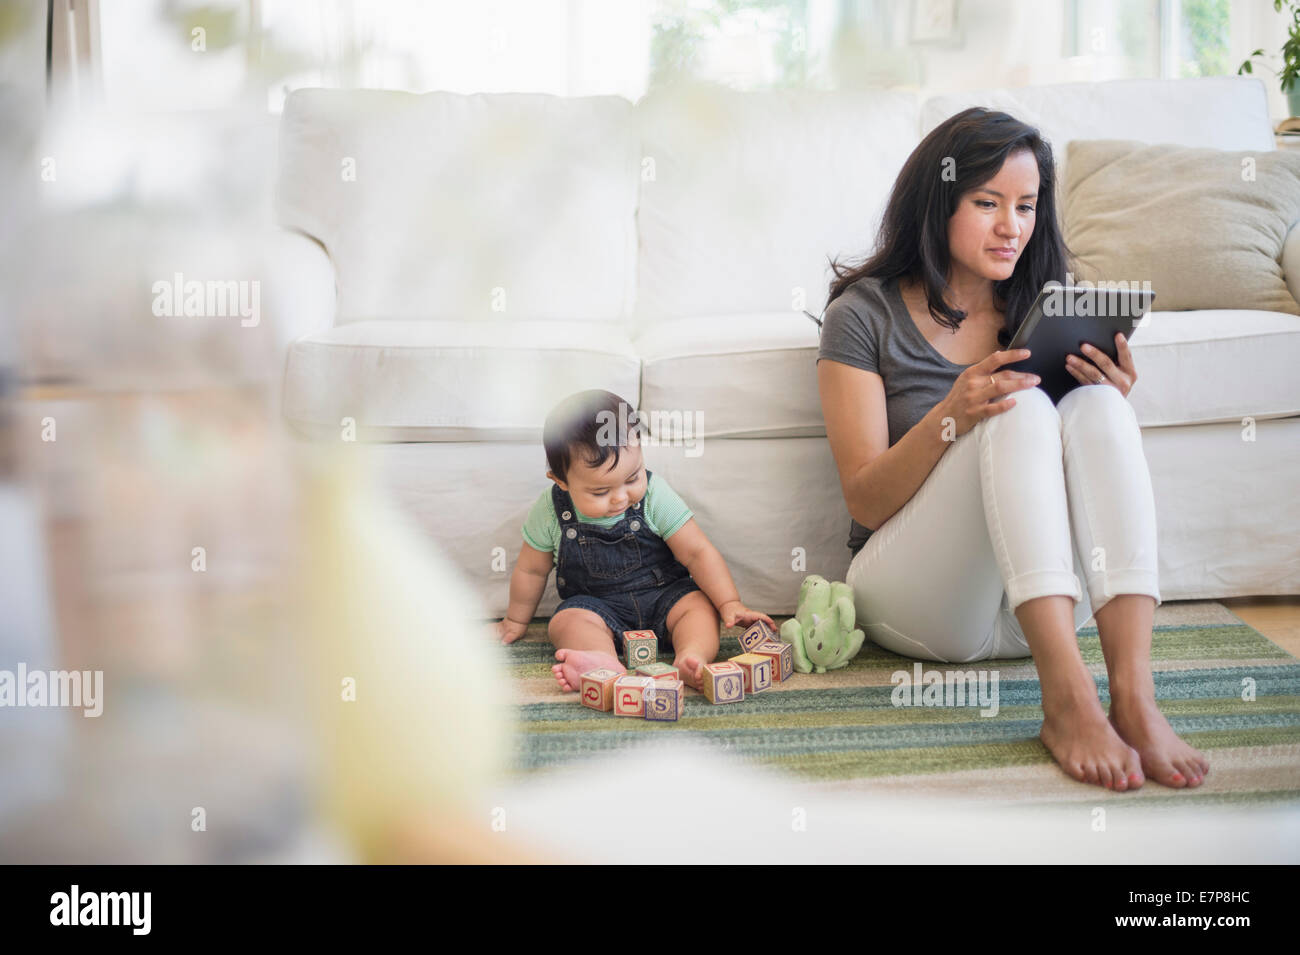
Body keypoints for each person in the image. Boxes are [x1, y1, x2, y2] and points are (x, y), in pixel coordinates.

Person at [817, 107, 1209, 791]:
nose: (1012, 227)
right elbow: (865, 499)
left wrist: (1110, 394)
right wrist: (950, 415)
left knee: (1097, 402)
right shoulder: (863, 315)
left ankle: (1133, 697)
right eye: (987, 203)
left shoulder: (1049, 305)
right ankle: (1066, 700)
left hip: (1041, 607)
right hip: (921, 605)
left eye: (1027, 206)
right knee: (1017, 403)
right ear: (937, 202)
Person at [496, 389, 775, 691]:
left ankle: (691, 657)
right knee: (565, 622)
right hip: (597, 607)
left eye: (632, 478)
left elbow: (696, 552)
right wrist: (515, 621)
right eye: (600, 492)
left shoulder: (655, 495)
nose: (620, 498)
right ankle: (602, 660)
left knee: (699, 607)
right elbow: (531, 570)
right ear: (561, 481)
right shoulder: (552, 509)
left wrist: (729, 602)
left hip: (664, 598)